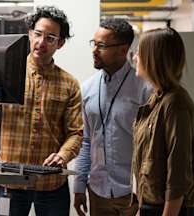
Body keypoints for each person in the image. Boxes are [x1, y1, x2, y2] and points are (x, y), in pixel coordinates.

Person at [0, 6, 83, 216]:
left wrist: (63, 155)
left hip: (51, 184)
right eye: (38, 34)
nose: (41, 42)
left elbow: (76, 133)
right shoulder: (6, 73)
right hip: (11, 179)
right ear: (29, 33)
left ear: (60, 43)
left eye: (50, 38)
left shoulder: (69, 84)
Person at [73, 18, 151, 216]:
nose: (94, 50)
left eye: (102, 45)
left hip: (132, 194)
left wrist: (144, 192)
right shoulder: (87, 88)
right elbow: (86, 141)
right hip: (98, 192)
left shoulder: (144, 89)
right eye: (94, 43)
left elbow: (151, 147)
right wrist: (79, 185)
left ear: (123, 50)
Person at [132, 27, 194, 216]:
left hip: (169, 210)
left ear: (153, 58)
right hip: (152, 206)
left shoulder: (175, 103)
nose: (135, 57)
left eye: (140, 52)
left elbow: (178, 173)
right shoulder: (157, 100)